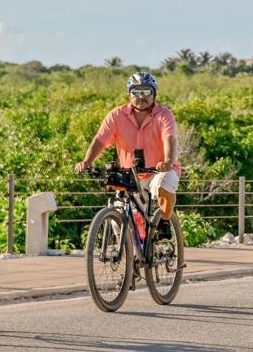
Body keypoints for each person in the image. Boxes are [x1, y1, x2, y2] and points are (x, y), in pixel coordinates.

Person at [75, 72, 181, 239]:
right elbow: (100, 141)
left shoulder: (164, 115)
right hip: (130, 176)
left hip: (158, 171)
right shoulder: (116, 115)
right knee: (119, 217)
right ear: (129, 94)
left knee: (163, 184)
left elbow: (169, 138)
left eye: (146, 92)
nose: (141, 97)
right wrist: (86, 161)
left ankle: (165, 221)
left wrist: (168, 161)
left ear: (154, 94)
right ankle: (131, 254)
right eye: (136, 92)